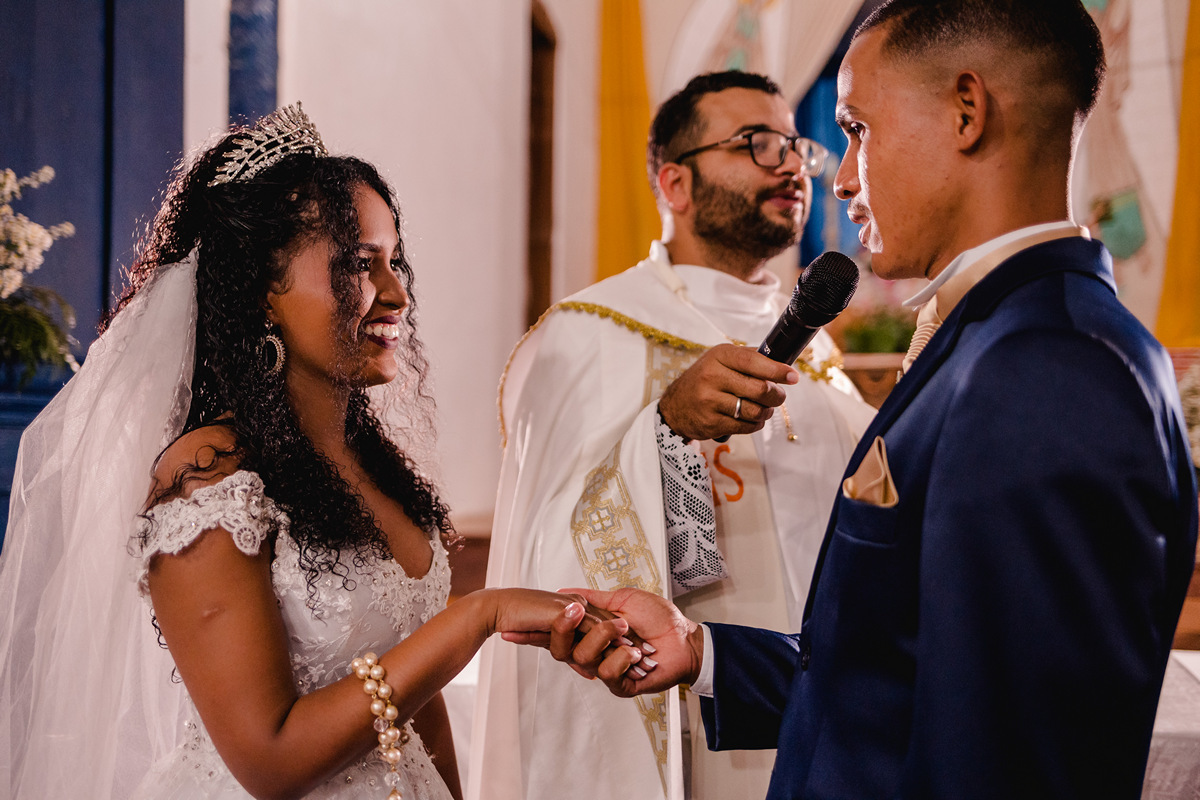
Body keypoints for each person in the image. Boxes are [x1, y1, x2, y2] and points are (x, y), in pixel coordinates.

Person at [533, 2, 1199, 798]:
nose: (836, 176)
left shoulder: (1041, 371)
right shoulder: (999, 341)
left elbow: (1003, 760)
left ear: (966, 110)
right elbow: (904, 672)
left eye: (855, 128)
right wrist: (704, 650)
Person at [0, 105, 606, 800]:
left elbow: (412, 692)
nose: (397, 293)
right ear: (262, 290)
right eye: (357, 264)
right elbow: (270, 759)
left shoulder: (369, 462)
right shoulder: (212, 480)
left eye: (394, 259)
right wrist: (478, 615)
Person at [471, 71, 875, 800]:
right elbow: (546, 545)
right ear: (675, 184)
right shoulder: (585, 336)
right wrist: (663, 432)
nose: (789, 164)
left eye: (795, 146)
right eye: (756, 143)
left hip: (828, 734)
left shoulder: (818, 354)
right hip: (692, 736)